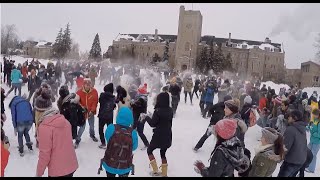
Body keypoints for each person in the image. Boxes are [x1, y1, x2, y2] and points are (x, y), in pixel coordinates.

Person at [36, 106, 78, 177]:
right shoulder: (66, 122)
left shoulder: (44, 128)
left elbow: (45, 154)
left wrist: (39, 173)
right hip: (71, 164)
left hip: (57, 170)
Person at [141, 92, 173, 177]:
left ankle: (155, 171)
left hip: (158, 136)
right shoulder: (170, 110)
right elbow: (169, 123)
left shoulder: (158, 111)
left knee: (149, 150)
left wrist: (147, 117)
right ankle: (164, 174)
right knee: (163, 153)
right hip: (167, 135)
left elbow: (152, 124)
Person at [99, 107, 138, 177]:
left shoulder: (111, 128)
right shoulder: (133, 133)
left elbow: (108, 139)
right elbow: (134, 147)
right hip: (125, 166)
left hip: (110, 164)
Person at [277, 110, 308, 177]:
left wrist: (277, 156)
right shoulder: (302, 128)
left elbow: (285, 147)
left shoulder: (291, 129)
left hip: (292, 161)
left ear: (294, 118)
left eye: (290, 116)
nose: (288, 117)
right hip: (301, 160)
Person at [75, 78, 99, 148]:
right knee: (82, 127)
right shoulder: (79, 92)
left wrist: (92, 110)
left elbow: (95, 102)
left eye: (89, 85)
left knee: (92, 125)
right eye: (86, 85)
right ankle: (78, 139)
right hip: (83, 113)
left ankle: (92, 135)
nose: (87, 86)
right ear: (84, 85)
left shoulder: (94, 91)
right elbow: (77, 102)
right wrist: (82, 107)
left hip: (91, 112)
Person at [33, 83, 54, 148]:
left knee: (44, 128)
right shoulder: (37, 94)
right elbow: (34, 104)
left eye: (45, 88)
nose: (44, 89)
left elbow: (53, 100)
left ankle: (44, 141)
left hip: (45, 114)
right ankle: (38, 141)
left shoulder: (48, 95)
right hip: (39, 114)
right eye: (43, 87)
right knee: (38, 128)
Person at [131, 85, 150, 149]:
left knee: (139, 131)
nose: (137, 92)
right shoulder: (144, 98)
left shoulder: (141, 99)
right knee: (134, 129)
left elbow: (135, 106)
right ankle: (131, 141)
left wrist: (132, 103)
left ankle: (147, 144)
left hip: (140, 117)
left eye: (139, 91)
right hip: (141, 116)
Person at [97, 83, 116, 149]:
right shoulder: (113, 98)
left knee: (100, 129)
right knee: (110, 129)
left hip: (102, 115)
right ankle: (110, 143)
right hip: (109, 116)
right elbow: (113, 106)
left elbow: (99, 101)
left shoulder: (102, 95)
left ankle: (103, 143)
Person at [305, 109, 320, 173]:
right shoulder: (313, 120)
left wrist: (314, 134)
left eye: (314, 114)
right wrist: (308, 127)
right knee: (308, 152)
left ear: (317, 115)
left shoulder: (319, 122)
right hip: (312, 140)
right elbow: (310, 126)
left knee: (313, 155)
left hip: (317, 142)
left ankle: (311, 169)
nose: (313, 115)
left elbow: (319, 133)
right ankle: (307, 165)